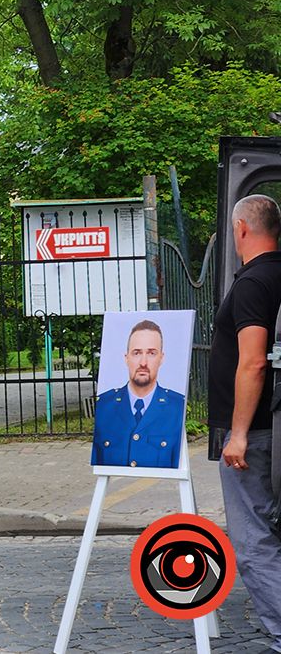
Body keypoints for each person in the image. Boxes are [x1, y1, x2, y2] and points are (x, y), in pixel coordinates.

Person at [209, 193, 281, 653]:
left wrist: (236, 434)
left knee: (253, 539)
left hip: (253, 436)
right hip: (272, 427)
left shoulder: (254, 281)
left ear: (241, 229)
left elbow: (253, 362)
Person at [92, 319, 186, 468]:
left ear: (161, 358)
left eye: (151, 353)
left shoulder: (177, 407)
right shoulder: (104, 406)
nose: (143, 362)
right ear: (126, 358)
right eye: (136, 353)